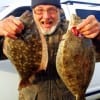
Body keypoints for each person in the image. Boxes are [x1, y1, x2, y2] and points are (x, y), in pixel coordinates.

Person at [0, 0, 100, 100]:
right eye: (39, 10)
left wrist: (98, 36)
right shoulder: (18, 32)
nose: (46, 16)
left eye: (51, 10)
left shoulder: (75, 31)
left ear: (59, 11)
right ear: (33, 12)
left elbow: (94, 54)